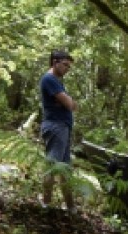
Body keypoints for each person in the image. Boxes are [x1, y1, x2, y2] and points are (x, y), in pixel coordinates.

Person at [39, 50, 77, 213]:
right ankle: (45, 205)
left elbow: (69, 104)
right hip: (56, 126)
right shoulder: (49, 79)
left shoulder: (55, 80)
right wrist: (68, 102)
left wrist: (67, 102)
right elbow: (70, 104)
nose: (67, 68)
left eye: (69, 66)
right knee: (53, 166)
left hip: (62, 127)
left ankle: (70, 207)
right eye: (65, 65)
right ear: (55, 62)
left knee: (64, 168)